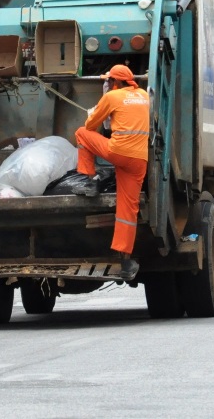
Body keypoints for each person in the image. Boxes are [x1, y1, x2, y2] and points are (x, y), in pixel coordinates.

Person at [72, 64, 150, 280]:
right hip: (139, 159)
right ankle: (125, 261)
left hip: (117, 152)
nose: (106, 83)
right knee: (128, 210)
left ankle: (90, 179)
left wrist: (98, 108)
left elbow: (90, 125)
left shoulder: (112, 96)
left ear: (116, 82)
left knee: (80, 133)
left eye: (108, 80)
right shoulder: (144, 95)